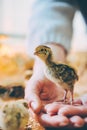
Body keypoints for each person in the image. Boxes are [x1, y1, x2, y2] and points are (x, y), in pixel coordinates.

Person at [25, 0, 87, 129]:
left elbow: (71, 78)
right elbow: (54, 2)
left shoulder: (56, 70)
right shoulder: (48, 70)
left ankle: (68, 98)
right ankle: (66, 97)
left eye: (41, 51)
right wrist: (51, 42)